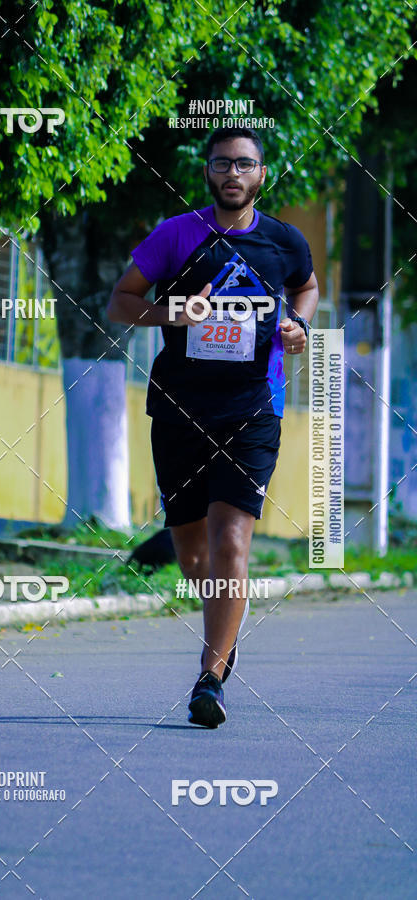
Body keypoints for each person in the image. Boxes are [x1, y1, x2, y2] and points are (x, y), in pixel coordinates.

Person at [107, 127, 319, 728]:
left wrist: (299, 326)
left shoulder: (284, 241)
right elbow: (121, 302)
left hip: (253, 410)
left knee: (231, 542)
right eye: (222, 163)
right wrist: (174, 310)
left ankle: (211, 675)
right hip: (179, 410)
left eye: (244, 164)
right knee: (193, 554)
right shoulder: (176, 235)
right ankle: (225, 633)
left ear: (261, 174)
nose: (233, 174)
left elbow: (306, 286)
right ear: (207, 172)